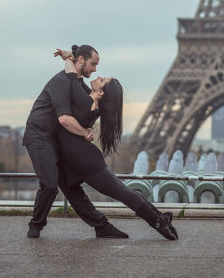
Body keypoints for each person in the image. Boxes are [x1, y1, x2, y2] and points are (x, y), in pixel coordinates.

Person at [56, 49, 178, 241]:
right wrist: (73, 57)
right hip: (77, 158)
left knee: (121, 191)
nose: (99, 75)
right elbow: (77, 80)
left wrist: (70, 59)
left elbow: (74, 78)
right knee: (109, 192)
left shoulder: (88, 103)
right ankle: (152, 220)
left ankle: (157, 219)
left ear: (101, 91)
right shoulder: (89, 101)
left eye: (103, 79)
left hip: (83, 160)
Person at [22, 44, 128, 239]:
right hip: (39, 136)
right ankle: (36, 224)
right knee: (50, 184)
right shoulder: (62, 81)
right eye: (93, 64)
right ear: (81, 61)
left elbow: (88, 101)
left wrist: (69, 59)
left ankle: (101, 226)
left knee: (71, 188)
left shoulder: (76, 83)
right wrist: (85, 133)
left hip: (57, 140)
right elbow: (64, 119)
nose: (95, 69)